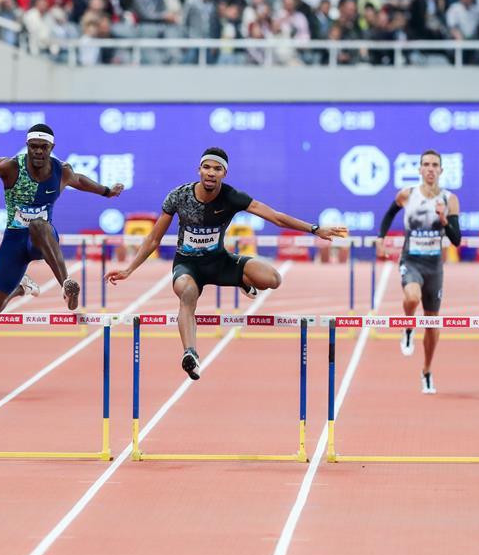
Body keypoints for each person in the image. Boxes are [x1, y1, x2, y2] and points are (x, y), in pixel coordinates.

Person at [105, 147, 348, 381]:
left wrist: (315, 229)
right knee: (187, 293)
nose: (211, 172)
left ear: (224, 173)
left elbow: (274, 216)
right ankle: (190, 352)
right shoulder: (179, 196)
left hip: (220, 262)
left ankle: (243, 280)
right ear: (199, 170)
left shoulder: (232, 196)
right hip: (187, 267)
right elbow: (154, 238)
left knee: (273, 279)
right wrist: (129, 269)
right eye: (206, 167)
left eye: (217, 169)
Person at [0, 124, 123, 313]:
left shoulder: (61, 170)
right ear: (27, 146)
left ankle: (66, 284)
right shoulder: (10, 167)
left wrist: (107, 192)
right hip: (14, 242)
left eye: (43, 147)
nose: (38, 151)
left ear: (51, 147)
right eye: (33, 147)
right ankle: (21, 288)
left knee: (38, 225)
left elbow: (80, 180)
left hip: (42, 239)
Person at [376, 150, 461, 394]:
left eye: (435, 165)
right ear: (420, 170)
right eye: (426, 164)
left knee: (433, 323)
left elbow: (456, 240)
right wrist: (381, 238)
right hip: (411, 260)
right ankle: (408, 326)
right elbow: (389, 214)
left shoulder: (450, 199)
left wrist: (444, 219)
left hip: (434, 266)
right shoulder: (407, 194)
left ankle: (426, 371)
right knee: (411, 297)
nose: (431, 168)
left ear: (442, 170)